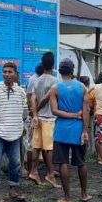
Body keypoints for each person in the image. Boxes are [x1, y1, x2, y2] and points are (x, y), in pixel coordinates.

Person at [0, 62, 28, 202]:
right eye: (5, 72)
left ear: (15, 74)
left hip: (15, 133)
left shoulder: (21, 92)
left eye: (10, 72)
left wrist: (20, 126)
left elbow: (24, 112)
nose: (7, 74)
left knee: (15, 163)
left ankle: (13, 190)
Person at [49, 59, 92, 202]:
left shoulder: (55, 88)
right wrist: (85, 130)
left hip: (61, 129)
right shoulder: (82, 87)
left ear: (59, 71)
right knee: (81, 162)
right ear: (72, 71)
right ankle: (84, 194)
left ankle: (67, 197)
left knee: (63, 163)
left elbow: (54, 111)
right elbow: (86, 109)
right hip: (78, 129)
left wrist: (70, 115)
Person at [29, 52, 62, 188]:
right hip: (50, 118)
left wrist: (34, 113)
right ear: (53, 65)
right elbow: (51, 99)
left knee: (36, 146)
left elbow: (32, 98)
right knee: (49, 149)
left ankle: (34, 171)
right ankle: (50, 174)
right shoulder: (56, 82)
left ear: (42, 64)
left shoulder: (36, 80)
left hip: (39, 118)